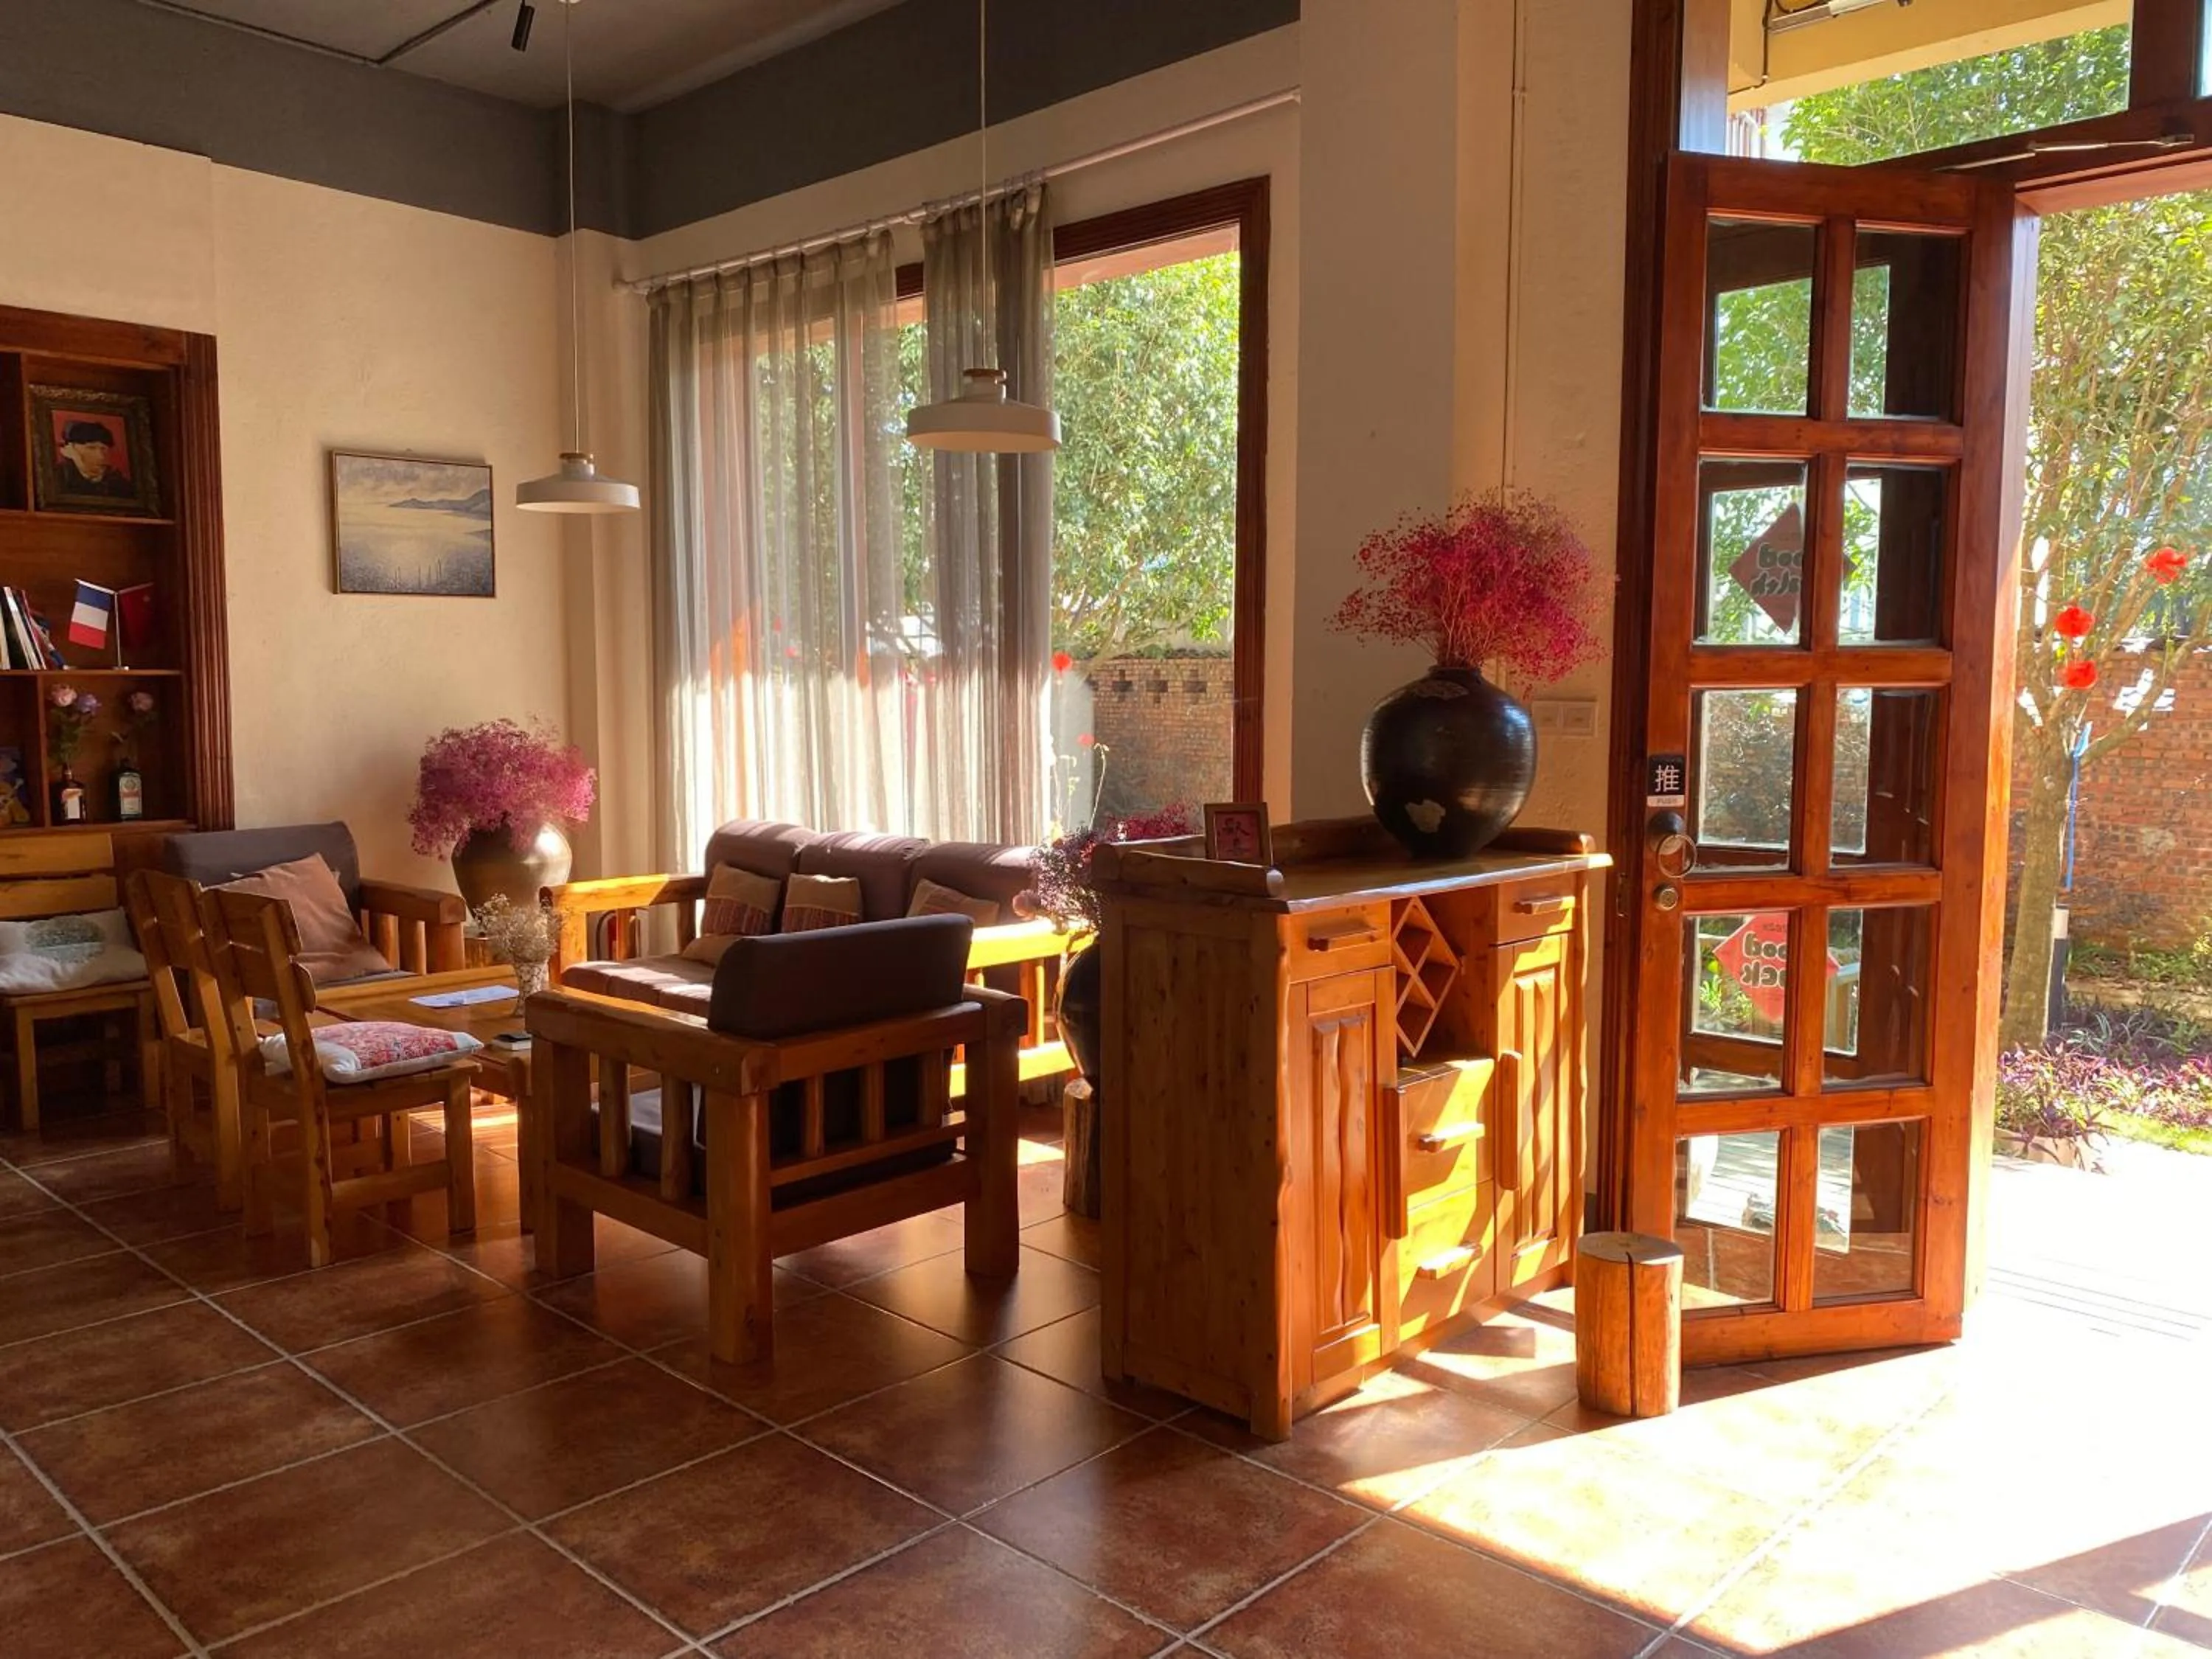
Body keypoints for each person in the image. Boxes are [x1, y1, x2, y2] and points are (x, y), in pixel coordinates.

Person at [55, 418, 136, 498]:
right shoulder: (57, 478)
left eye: (104, 449)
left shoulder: (118, 483)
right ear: (69, 450)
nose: (101, 457)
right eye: (91, 448)